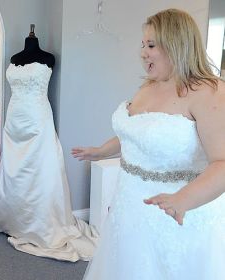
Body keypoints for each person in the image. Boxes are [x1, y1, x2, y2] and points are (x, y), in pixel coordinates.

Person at [72, 9, 225, 279]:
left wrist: (183, 200)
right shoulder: (147, 86)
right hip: (130, 202)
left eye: (151, 45)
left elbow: (222, 163)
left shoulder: (208, 92)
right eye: (143, 45)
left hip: (175, 212)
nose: (143, 53)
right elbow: (136, 134)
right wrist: (101, 151)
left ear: (176, 43)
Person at [0, 26, 97, 262]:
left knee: (39, 168)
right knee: (14, 170)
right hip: (14, 120)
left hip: (37, 119)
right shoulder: (13, 58)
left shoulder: (49, 58)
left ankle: (40, 223)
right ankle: (12, 218)